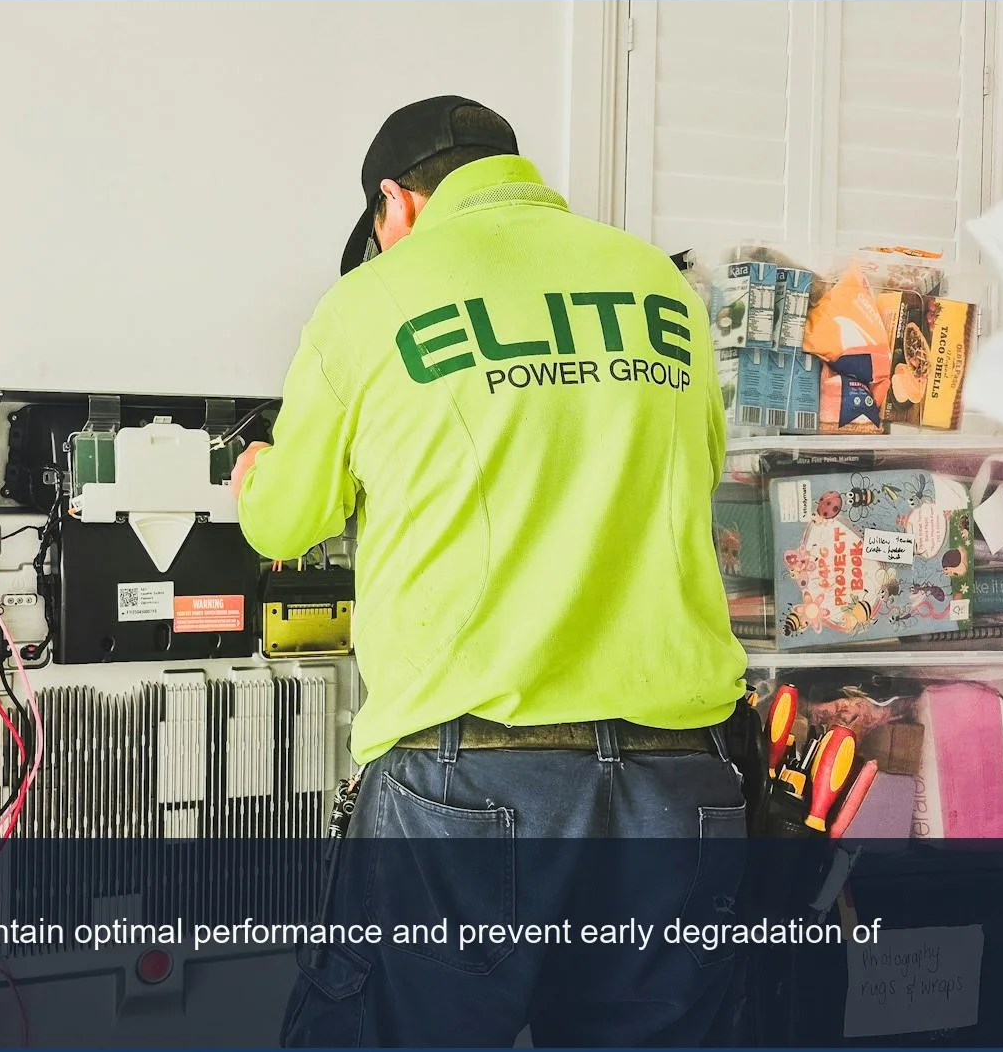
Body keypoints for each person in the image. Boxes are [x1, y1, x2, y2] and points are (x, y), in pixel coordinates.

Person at [232, 96, 753, 1046]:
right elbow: (702, 469)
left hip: (471, 778)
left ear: (398, 204)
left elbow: (286, 524)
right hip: (681, 776)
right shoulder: (657, 285)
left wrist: (257, 474)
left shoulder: (370, 302)